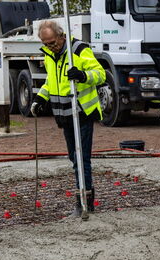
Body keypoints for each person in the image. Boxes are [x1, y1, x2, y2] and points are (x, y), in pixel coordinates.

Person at [30, 20, 106, 217]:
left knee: (82, 158)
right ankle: (82, 198)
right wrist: (40, 97)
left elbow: (100, 75)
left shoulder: (79, 50)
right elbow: (51, 81)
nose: (51, 47)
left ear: (62, 36)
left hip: (82, 111)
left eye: (53, 43)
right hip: (63, 113)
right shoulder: (49, 55)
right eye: (46, 44)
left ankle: (85, 203)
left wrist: (82, 75)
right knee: (74, 157)